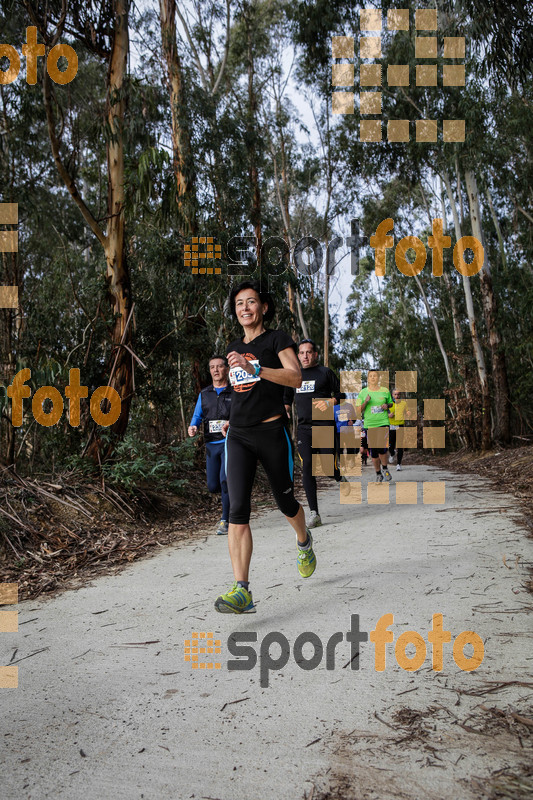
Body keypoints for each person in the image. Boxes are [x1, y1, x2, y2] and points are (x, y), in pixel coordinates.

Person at [214, 281, 315, 614]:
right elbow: (239, 390)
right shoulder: (231, 346)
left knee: (286, 502)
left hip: (272, 432)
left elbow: (296, 377)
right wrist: (230, 417)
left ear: (263, 307)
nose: (245, 308)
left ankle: (303, 540)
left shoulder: (277, 339)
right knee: (237, 512)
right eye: (240, 303)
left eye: (251, 302)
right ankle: (241, 590)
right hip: (239, 436)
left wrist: (255, 367)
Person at [284, 339, 344, 528]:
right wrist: (285, 409)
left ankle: (337, 475)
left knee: (326, 468)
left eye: (309, 352)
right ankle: (314, 513)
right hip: (304, 428)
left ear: (315, 355)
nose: (305, 356)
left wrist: (331, 402)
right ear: (298, 355)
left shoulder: (325, 372)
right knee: (307, 466)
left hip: (324, 426)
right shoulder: (294, 375)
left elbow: (341, 395)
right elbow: (287, 398)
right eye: (301, 353)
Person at [188, 356, 232, 535]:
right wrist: (193, 426)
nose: (215, 370)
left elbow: (241, 413)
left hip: (229, 442)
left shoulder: (234, 392)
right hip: (211, 443)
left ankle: (225, 519)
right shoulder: (204, 394)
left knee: (225, 480)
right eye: (212, 367)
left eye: (219, 367)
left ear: (226, 369)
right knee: (213, 485)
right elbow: (197, 415)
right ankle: (232, 500)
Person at [356, 370, 393, 482]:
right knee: (373, 450)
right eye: (370, 376)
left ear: (378, 378)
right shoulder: (363, 392)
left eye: (375, 376)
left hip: (383, 422)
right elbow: (358, 410)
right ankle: (378, 473)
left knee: (382, 447)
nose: (373, 378)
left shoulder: (385, 391)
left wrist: (387, 405)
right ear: (368, 379)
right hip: (369, 424)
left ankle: (385, 469)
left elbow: (391, 403)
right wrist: (366, 402)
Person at [388, 389, 408, 471]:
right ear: (392, 395)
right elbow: (383, 413)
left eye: (398, 394)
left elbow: (408, 412)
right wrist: (388, 415)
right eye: (395, 394)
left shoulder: (404, 403)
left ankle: (399, 464)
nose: (397, 396)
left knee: (400, 446)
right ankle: (392, 453)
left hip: (400, 425)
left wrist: (408, 413)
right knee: (391, 445)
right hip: (391, 426)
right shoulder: (389, 404)